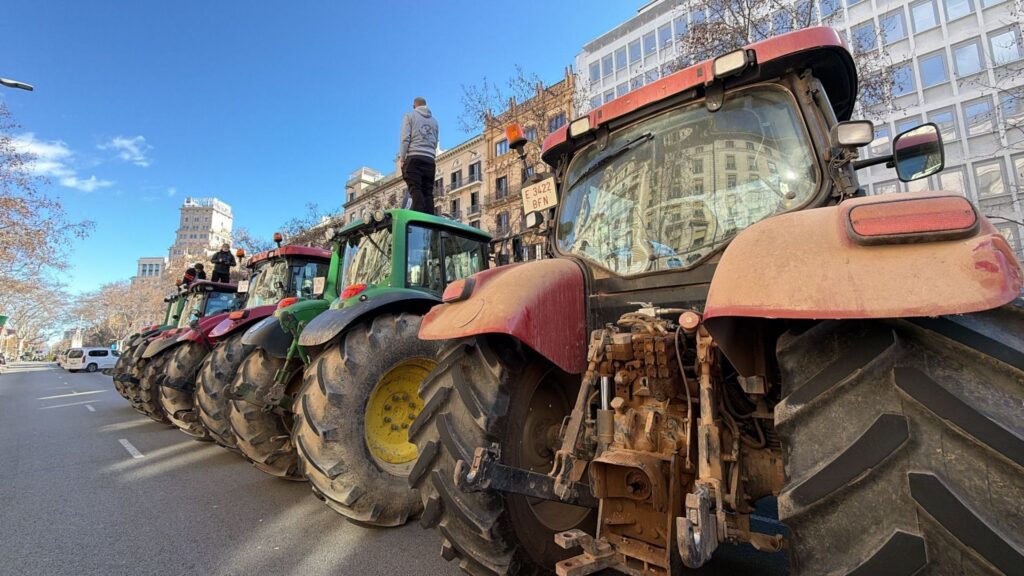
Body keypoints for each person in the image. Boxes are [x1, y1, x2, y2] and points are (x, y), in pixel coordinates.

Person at [399, 96, 439, 215]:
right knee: (428, 192)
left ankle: (419, 219)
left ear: (414, 106)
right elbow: (435, 142)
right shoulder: (435, 122)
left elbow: (405, 139)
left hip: (414, 157)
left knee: (415, 188)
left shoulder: (409, 116)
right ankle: (430, 221)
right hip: (430, 160)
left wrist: (402, 158)